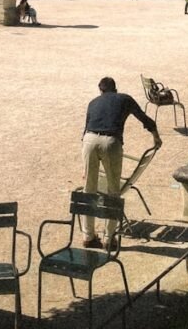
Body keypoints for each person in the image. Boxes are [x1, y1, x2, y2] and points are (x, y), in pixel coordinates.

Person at [81, 77, 161, 248]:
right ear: (115, 89)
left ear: (100, 90)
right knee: (113, 192)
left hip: (89, 141)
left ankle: (88, 236)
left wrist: (86, 167)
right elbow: (144, 119)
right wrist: (156, 137)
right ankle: (109, 239)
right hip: (111, 142)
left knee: (88, 190)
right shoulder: (125, 99)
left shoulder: (92, 102)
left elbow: (85, 131)